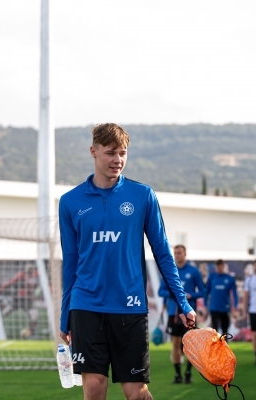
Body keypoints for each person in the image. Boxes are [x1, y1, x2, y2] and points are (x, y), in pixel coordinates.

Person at [59, 123, 197, 400]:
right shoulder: (70, 202)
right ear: (93, 152)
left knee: (137, 393)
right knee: (95, 387)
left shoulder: (143, 195)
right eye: (110, 153)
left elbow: (162, 252)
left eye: (122, 153)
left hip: (130, 307)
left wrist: (182, 302)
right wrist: (65, 316)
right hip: (86, 306)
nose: (117, 159)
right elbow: (70, 262)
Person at [158, 245, 205, 384]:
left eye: (179, 253)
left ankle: (188, 372)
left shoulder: (194, 271)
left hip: (188, 313)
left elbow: (202, 291)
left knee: (189, 344)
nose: (177, 255)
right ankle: (178, 374)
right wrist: (174, 294)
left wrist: (190, 295)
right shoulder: (168, 270)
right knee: (175, 343)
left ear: (185, 254)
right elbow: (160, 291)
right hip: (173, 313)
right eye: (175, 253)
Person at [0, 263, 40, 339]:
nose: (29, 270)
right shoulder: (21, 275)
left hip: (28, 300)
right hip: (19, 299)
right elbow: (10, 282)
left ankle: (31, 333)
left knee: (34, 315)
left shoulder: (37, 274)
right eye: (28, 269)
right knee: (5, 313)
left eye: (31, 269)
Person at [205, 259, 238, 335]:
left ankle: (224, 346)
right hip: (214, 308)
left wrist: (235, 306)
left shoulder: (230, 279)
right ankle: (216, 347)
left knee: (225, 331)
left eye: (220, 267)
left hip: (225, 308)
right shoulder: (212, 277)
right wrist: (205, 305)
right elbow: (206, 292)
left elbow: (235, 294)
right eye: (217, 267)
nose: (219, 269)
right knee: (215, 331)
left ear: (223, 267)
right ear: (215, 267)